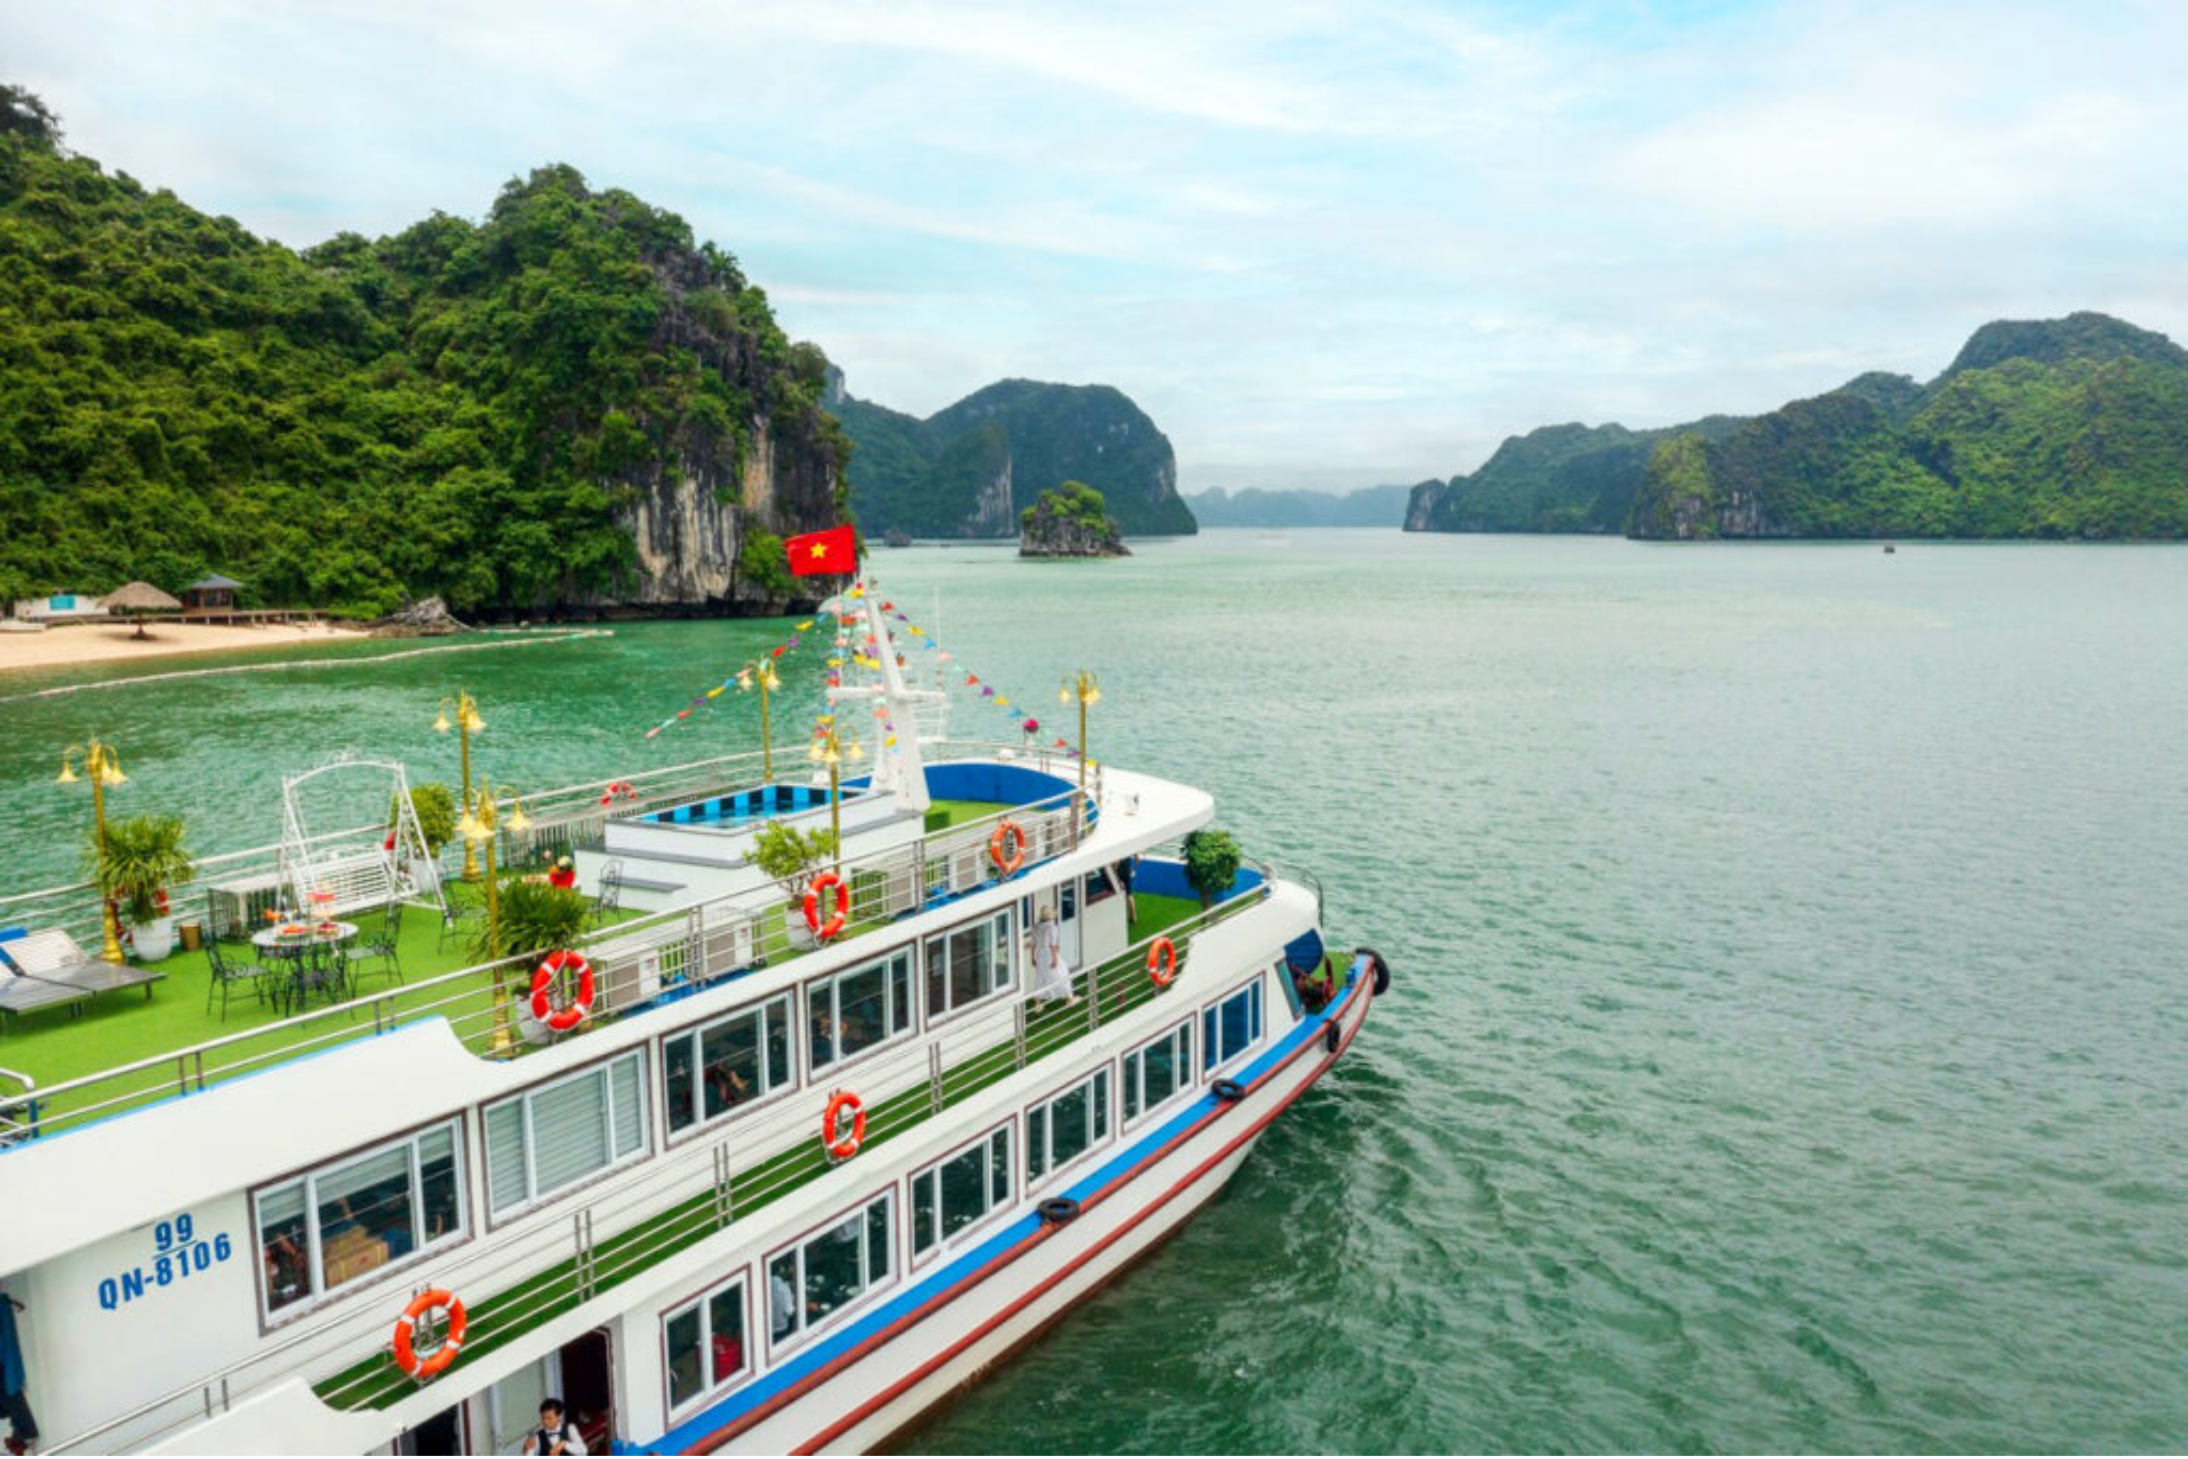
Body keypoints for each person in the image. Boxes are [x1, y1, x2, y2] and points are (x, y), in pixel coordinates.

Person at [1029, 904, 1074, 1003]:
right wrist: (1055, 959)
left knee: (1040, 976)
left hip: (1040, 955)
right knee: (1061, 972)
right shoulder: (1052, 927)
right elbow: (1052, 945)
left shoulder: (1036, 927)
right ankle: (1069, 998)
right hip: (1049, 954)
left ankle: (1037, 1002)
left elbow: (1033, 944)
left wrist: (1032, 958)